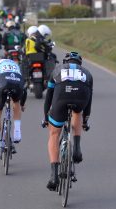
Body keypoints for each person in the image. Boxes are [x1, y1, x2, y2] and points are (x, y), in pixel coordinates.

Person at [42, 52, 93, 191]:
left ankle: (54, 176)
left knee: (53, 135)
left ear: (65, 62)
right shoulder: (87, 73)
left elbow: (49, 97)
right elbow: (89, 100)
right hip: (81, 97)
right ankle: (76, 148)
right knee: (78, 112)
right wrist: (86, 119)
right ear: (80, 64)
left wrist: (46, 117)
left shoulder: (57, 70)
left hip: (61, 97)